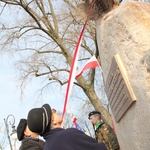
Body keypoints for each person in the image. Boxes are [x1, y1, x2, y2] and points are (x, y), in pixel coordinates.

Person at [27, 104, 107, 150]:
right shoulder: (69, 135)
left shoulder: (47, 147)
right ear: (53, 121)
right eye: (53, 112)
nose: (56, 112)